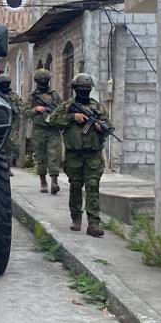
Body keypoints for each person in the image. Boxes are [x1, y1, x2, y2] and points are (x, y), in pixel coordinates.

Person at [49, 73, 109, 237]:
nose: (84, 92)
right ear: (75, 89)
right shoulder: (68, 106)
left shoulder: (98, 107)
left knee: (93, 186)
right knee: (75, 187)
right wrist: (72, 117)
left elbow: (109, 126)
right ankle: (76, 218)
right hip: (74, 154)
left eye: (87, 89)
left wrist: (101, 128)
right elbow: (52, 120)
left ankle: (93, 224)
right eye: (81, 89)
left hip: (93, 154)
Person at [27, 68, 63, 194]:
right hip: (39, 130)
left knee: (54, 156)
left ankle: (54, 181)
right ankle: (43, 181)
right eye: (40, 81)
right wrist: (36, 109)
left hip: (53, 130)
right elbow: (25, 112)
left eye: (45, 81)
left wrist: (55, 112)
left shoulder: (55, 95)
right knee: (41, 156)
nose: (43, 83)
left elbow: (63, 109)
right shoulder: (32, 97)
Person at [0, 73, 24, 168]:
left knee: (10, 143)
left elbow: (21, 108)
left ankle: (8, 166)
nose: (4, 85)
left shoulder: (14, 96)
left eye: (6, 83)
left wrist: (13, 107)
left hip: (12, 122)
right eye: (2, 83)